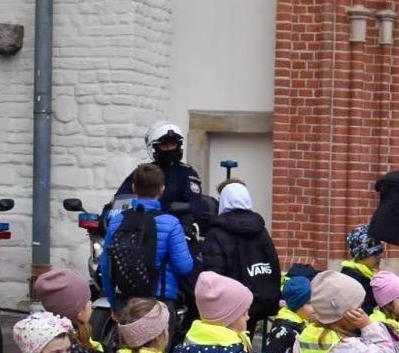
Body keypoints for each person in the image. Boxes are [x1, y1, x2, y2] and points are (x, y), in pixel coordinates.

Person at [102, 162, 197, 308]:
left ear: (133, 188)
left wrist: (113, 303)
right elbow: (184, 267)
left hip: (126, 300)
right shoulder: (171, 223)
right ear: (162, 190)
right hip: (160, 302)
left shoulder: (117, 221)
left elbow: (106, 266)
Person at [200, 182, 281, 322]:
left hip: (230, 303)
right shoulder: (260, 230)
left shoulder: (216, 232)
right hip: (260, 299)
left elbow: (214, 271)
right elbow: (273, 263)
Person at [113, 121, 210, 219]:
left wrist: (186, 223)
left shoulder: (187, 173)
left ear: (179, 145)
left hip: (173, 226)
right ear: (155, 147)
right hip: (140, 224)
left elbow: (194, 206)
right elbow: (121, 201)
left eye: (172, 144)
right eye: (164, 144)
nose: (169, 148)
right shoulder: (144, 171)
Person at [341, 225, 385, 313]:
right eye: (375, 253)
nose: (380, 256)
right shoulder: (353, 280)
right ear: (360, 255)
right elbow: (361, 312)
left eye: (380, 252)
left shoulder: (368, 274)